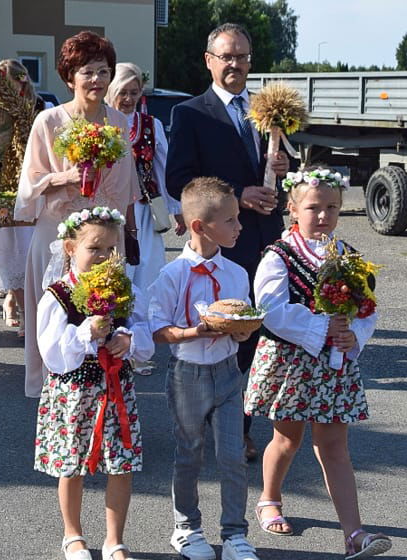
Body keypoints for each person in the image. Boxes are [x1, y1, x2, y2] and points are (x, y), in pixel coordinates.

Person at [244, 169, 391, 560]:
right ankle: (269, 498)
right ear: (292, 209)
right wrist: (325, 328)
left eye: (332, 207)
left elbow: (366, 307)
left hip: (332, 366)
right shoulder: (279, 256)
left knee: (334, 447)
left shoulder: (348, 257)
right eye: (313, 207)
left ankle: (354, 533)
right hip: (291, 363)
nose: (323, 215)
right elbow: (272, 310)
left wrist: (354, 334)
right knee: (287, 439)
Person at [166, 22, 290, 462]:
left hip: (267, 242)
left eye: (241, 56)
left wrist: (283, 165)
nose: (234, 64)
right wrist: (238, 196)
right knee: (216, 338)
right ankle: (198, 426)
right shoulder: (190, 113)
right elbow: (179, 180)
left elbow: (282, 179)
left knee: (256, 337)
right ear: (209, 60)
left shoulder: (267, 111)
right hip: (220, 247)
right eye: (226, 56)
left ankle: (239, 429)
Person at [148, 177, 264, 560]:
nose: (239, 227)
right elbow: (158, 331)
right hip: (188, 374)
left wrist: (245, 330)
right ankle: (186, 527)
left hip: (228, 373)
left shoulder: (235, 273)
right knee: (189, 452)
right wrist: (196, 331)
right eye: (230, 220)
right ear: (199, 226)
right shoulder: (172, 276)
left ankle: (234, 535)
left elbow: (244, 320)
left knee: (233, 456)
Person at [15, 30, 138, 398]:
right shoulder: (49, 121)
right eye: (87, 71)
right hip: (57, 234)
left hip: (103, 239)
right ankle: (49, 390)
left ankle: (101, 387)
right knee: (54, 312)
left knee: (104, 309)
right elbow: (29, 183)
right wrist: (66, 176)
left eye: (103, 71)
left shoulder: (119, 123)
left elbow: (128, 185)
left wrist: (129, 234)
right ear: (70, 77)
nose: (96, 80)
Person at [35, 206, 152, 560]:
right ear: (70, 248)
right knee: (73, 463)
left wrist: (127, 340)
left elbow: (145, 332)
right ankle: (73, 533)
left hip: (114, 387)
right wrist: (86, 333)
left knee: (120, 463)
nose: (103, 257)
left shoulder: (124, 290)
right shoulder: (57, 295)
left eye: (110, 250)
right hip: (74, 391)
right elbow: (52, 352)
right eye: (94, 249)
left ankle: (115, 540)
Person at [105, 62, 183, 376]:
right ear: (112, 92)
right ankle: (110, 339)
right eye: (122, 92)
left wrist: (176, 209)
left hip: (146, 212)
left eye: (133, 92)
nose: (128, 98)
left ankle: (137, 347)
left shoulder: (150, 126)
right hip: (110, 214)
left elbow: (164, 168)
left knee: (146, 276)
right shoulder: (101, 123)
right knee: (115, 273)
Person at [0, 58, 46, 335]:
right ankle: (14, 300)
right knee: (5, 248)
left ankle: (19, 303)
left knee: (27, 248)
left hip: (28, 184)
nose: (13, 86)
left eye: (16, 80)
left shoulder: (39, 108)